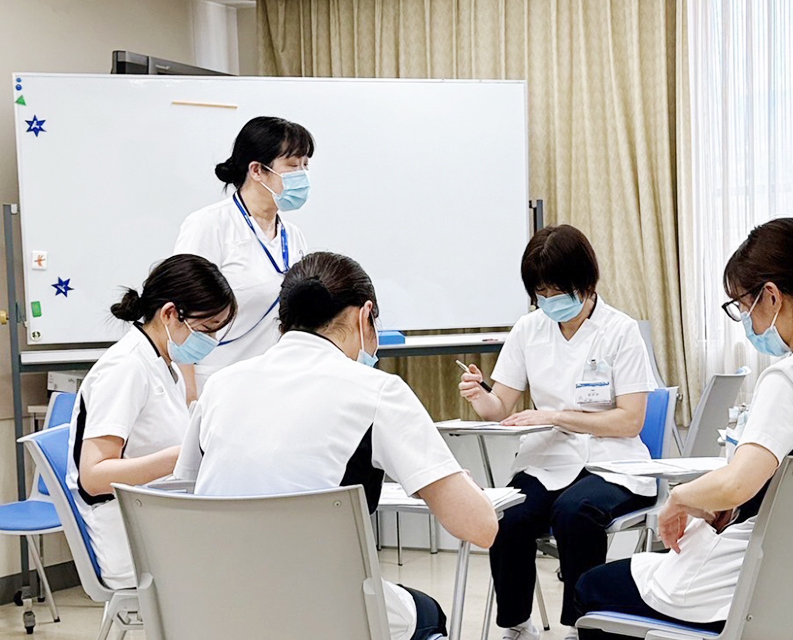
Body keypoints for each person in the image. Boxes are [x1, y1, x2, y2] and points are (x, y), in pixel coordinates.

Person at [573, 218, 793, 637]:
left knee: (590, 586)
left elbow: (737, 484)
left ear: (772, 296)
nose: (745, 318)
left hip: (744, 590)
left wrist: (679, 498)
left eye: (742, 305)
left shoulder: (792, 378)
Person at [174, 251, 498, 640]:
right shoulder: (378, 391)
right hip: (325, 614)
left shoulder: (219, 387)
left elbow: (185, 495)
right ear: (365, 316)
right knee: (428, 614)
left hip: (215, 611)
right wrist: (454, 482)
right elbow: (481, 528)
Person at [459, 225, 658, 640]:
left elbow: (630, 420)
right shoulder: (528, 329)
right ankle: (516, 623)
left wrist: (555, 417)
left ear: (586, 283)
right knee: (506, 515)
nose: (549, 301)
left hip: (612, 460)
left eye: (557, 291)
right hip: (548, 459)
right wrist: (480, 395)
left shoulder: (620, 331)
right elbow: (501, 407)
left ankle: (582, 624)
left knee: (575, 512)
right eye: (541, 293)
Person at [66, 255, 236, 589]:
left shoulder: (163, 364)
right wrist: (183, 456)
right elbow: (94, 477)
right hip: (129, 539)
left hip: (159, 520)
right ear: (170, 313)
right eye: (206, 329)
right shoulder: (126, 368)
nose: (211, 341)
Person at [174, 116, 313, 400]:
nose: (302, 175)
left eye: (305, 165)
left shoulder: (293, 236)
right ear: (257, 170)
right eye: (292, 165)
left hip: (276, 385)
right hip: (217, 385)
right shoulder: (209, 225)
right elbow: (179, 313)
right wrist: (189, 393)